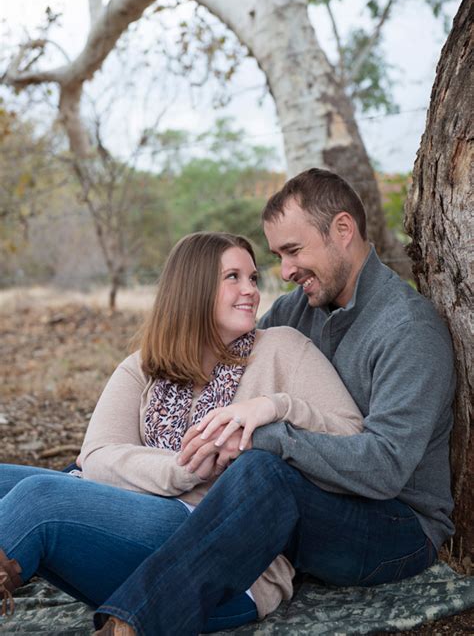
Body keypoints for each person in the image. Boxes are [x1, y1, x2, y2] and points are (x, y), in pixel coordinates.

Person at [87, 168, 456, 636]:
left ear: (343, 231)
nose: (283, 272)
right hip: (306, 502)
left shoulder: (408, 330)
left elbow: (385, 468)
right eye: (279, 255)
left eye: (293, 251)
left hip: (396, 527)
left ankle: (130, 626)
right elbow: (230, 355)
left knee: (263, 467)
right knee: (49, 479)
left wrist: (270, 431)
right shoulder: (294, 310)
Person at [0, 230, 363, 632]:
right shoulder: (144, 368)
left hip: (223, 559)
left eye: (254, 278)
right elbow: (97, 456)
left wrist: (275, 408)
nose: (251, 292)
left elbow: (352, 436)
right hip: (133, 533)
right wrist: (183, 468)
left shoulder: (282, 349)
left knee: (38, 498)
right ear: (193, 287)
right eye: (233, 277)